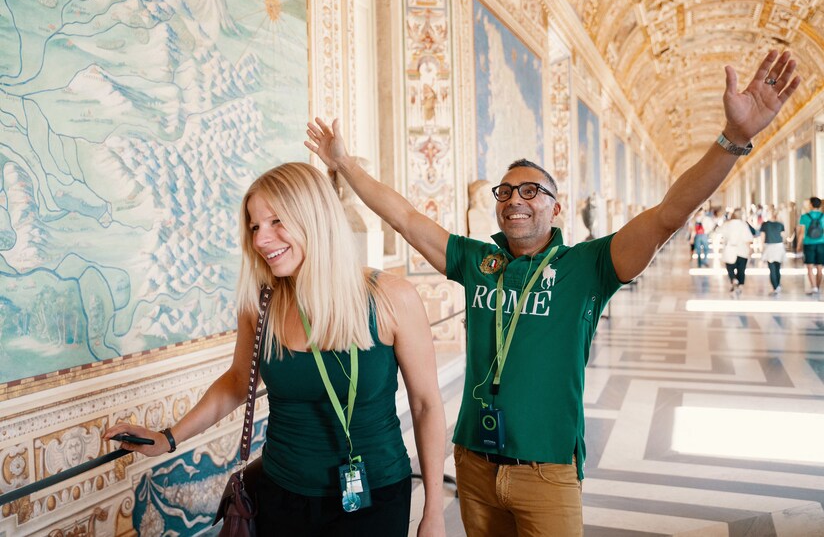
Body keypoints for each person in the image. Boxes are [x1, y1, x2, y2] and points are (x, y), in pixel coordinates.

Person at [304, 50, 799, 536]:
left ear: (556, 208)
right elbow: (405, 217)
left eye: (530, 191)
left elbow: (669, 213)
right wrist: (344, 163)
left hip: (547, 471)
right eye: (505, 192)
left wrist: (733, 140)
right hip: (474, 463)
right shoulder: (478, 262)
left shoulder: (588, 267)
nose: (514, 199)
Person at [104, 163, 447, 537]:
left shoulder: (390, 299)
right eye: (254, 226)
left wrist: (434, 511)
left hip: (374, 498)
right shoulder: (260, 303)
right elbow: (238, 381)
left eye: (276, 222)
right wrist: (168, 438)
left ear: (314, 218)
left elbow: (426, 405)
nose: (261, 240)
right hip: (281, 496)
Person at [719, 208, 754, 296]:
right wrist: (750, 249)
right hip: (742, 249)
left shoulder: (727, 224)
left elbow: (722, 235)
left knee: (729, 267)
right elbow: (748, 239)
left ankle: (733, 279)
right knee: (741, 269)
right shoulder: (743, 225)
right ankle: (740, 286)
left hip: (730, 248)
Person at [796, 196, 824, 296]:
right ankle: (818, 286)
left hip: (809, 244)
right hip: (821, 243)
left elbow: (801, 233)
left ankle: (814, 288)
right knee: (820, 267)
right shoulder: (823, 216)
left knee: (810, 266)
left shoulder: (804, 217)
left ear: (811, 205)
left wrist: (798, 245)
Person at [759, 208, 786, 295]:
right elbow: (783, 236)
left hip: (769, 247)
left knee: (772, 269)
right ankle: (778, 285)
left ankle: (775, 287)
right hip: (779, 247)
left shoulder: (765, 224)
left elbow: (762, 237)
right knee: (778, 268)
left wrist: (761, 248)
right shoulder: (780, 224)